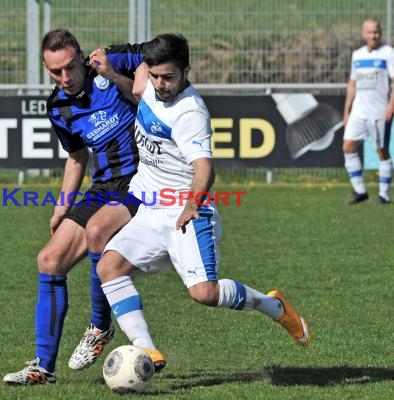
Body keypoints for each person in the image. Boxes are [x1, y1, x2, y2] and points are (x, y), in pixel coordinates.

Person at [96, 33, 312, 371]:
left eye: (169, 77)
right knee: (108, 268)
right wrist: (117, 75)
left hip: (188, 211)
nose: (161, 84)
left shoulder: (190, 114)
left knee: (204, 294)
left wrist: (192, 204)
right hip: (151, 207)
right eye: (155, 75)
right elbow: (140, 90)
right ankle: (147, 353)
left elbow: (204, 167)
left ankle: (272, 306)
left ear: (186, 72)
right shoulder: (148, 80)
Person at [3, 29, 146, 385]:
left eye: (69, 67)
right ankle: (42, 367)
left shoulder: (111, 64)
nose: (64, 78)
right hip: (104, 185)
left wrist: (114, 74)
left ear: (81, 57)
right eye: (55, 72)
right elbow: (77, 156)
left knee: (97, 230)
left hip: (145, 178)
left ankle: (99, 326)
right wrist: (60, 206)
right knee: (49, 260)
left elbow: (149, 89)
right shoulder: (58, 107)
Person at [343, 18, 394, 205]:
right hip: (358, 111)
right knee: (348, 146)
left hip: (378, 111)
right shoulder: (357, 55)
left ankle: (383, 195)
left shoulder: (388, 53)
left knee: (381, 151)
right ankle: (360, 191)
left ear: (380, 33)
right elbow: (352, 84)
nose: (373, 35)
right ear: (363, 34)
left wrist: (391, 106)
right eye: (370, 32)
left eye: (376, 32)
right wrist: (346, 111)